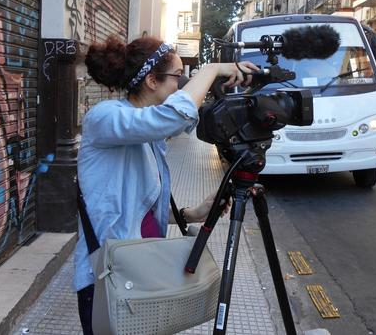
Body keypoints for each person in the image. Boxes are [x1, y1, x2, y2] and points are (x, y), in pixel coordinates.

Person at [74, 35, 259, 334]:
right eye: (177, 76)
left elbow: (140, 207)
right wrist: (210, 69)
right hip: (109, 276)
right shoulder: (105, 117)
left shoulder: (146, 133)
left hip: (144, 270)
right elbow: (174, 117)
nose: (181, 84)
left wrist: (190, 213)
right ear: (151, 81)